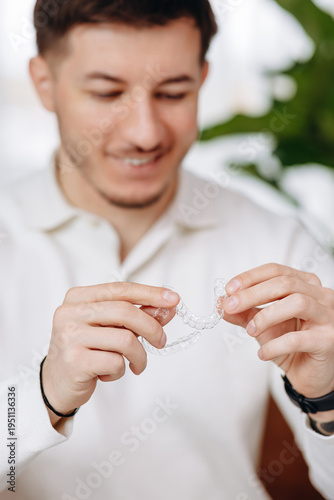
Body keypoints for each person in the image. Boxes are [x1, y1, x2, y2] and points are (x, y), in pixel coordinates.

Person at [1, 1, 334, 498]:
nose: (145, 132)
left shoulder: (279, 243)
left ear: (202, 79)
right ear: (44, 83)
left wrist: (327, 398)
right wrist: (41, 397)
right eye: (107, 92)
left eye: (174, 92)